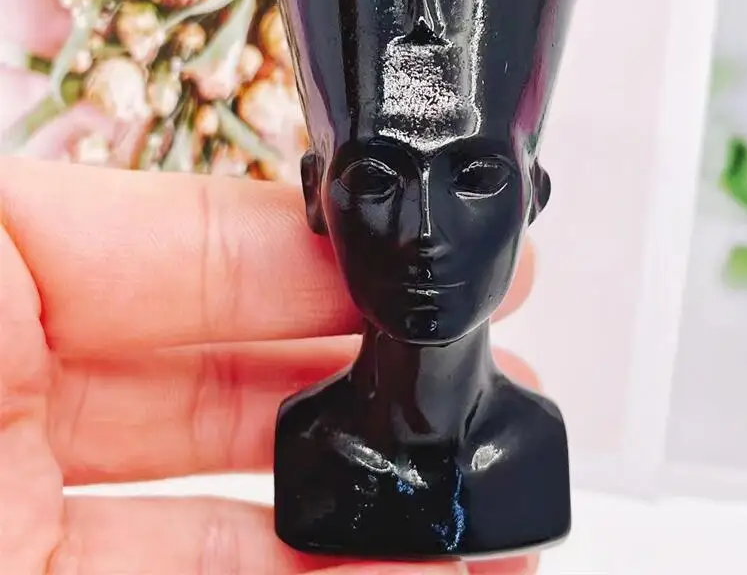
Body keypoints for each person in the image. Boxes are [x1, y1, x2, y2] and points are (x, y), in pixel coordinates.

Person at [0, 157, 541, 574]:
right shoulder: (312, 442)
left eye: (477, 178)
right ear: (315, 193)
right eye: (374, 180)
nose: (425, 231)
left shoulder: (531, 447)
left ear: (534, 192)